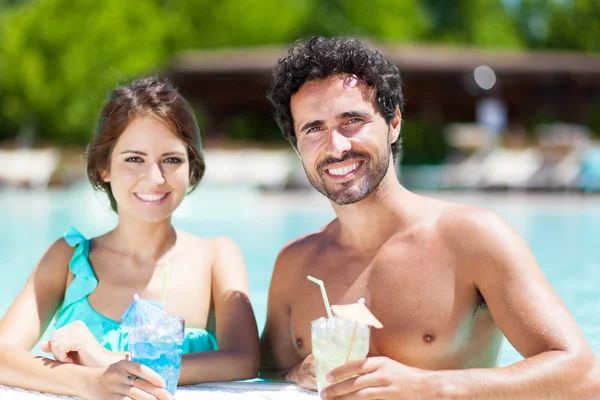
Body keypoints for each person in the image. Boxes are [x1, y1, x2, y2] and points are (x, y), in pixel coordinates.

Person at [260, 37, 599, 399]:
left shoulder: (472, 238)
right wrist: (297, 373)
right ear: (297, 146)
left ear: (393, 124)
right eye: (314, 129)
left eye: (352, 120)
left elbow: (584, 376)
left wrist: (428, 386)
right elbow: (265, 374)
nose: (337, 146)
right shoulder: (295, 265)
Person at [0, 77, 260, 399]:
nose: (155, 177)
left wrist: (111, 362)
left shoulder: (216, 258)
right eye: (134, 159)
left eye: (172, 160)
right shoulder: (69, 258)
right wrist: (92, 382)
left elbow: (244, 360)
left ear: (192, 169)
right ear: (103, 168)